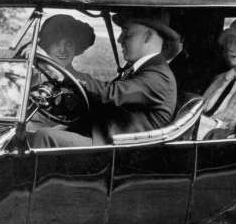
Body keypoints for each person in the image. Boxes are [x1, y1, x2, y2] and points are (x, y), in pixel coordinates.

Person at [30, 9, 178, 148]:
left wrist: (59, 73)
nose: (120, 39)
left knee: (44, 137)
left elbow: (110, 94)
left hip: (121, 152)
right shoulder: (142, 71)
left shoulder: (159, 76)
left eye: (127, 33)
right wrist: (69, 126)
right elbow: (107, 106)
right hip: (110, 141)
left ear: (148, 36)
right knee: (38, 134)